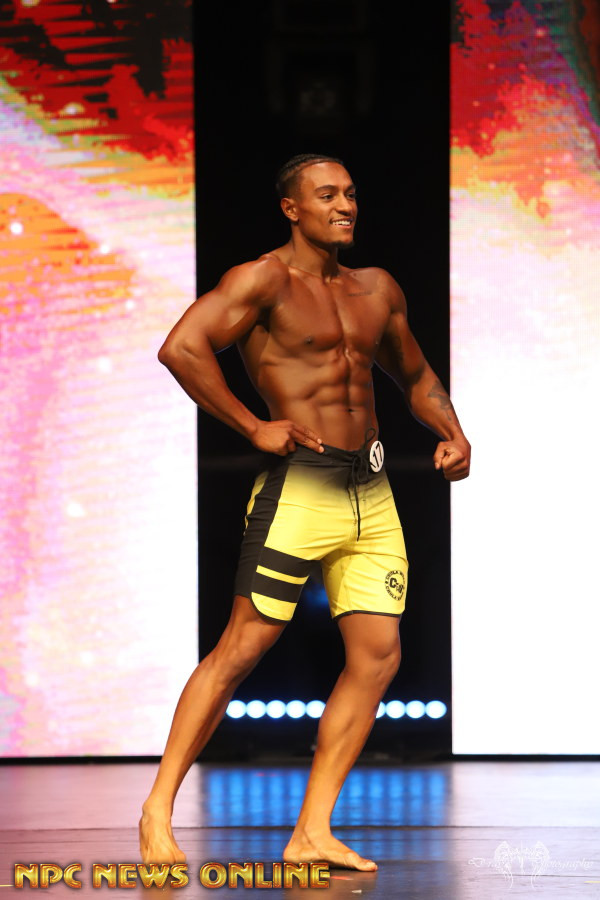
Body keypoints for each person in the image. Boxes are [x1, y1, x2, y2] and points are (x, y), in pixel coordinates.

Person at [139, 153, 471, 871]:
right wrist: (251, 425)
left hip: (371, 491)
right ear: (292, 208)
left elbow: (415, 375)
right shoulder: (263, 280)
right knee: (243, 647)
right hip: (300, 486)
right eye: (326, 195)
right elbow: (181, 347)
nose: (344, 205)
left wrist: (452, 431)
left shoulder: (376, 288)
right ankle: (157, 808)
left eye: (350, 193)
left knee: (379, 656)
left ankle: (311, 832)